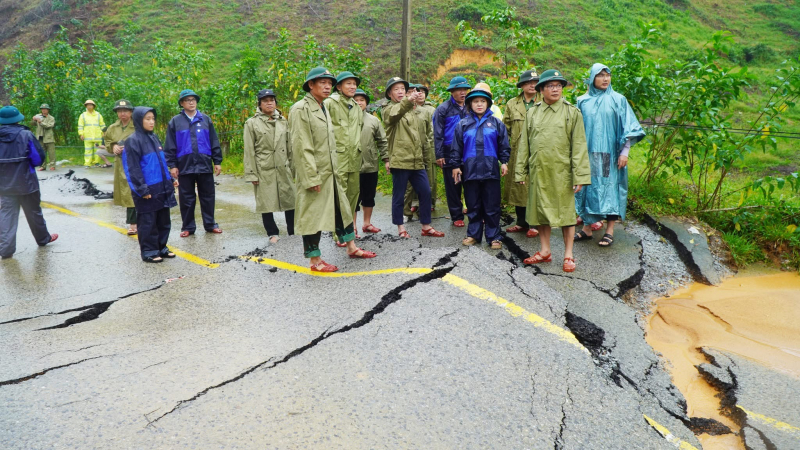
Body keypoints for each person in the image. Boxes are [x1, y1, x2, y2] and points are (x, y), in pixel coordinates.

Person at [289, 67, 376, 272]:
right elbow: (301, 147)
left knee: (343, 211)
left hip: (332, 172)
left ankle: (351, 247)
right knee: (313, 217)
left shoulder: (322, 107)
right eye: (322, 82)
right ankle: (315, 260)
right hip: (316, 174)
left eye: (329, 83)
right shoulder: (301, 109)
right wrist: (311, 178)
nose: (327, 86)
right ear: (311, 85)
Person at [514, 69, 591, 273]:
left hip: (562, 173)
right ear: (541, 90)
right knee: (540, 213)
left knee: (566, 214)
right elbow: (525, 145)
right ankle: (545, 251)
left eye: (558, 85)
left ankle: (568, 255)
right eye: (550, 86)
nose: (555, 89)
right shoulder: (533, 113)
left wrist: (580, 175)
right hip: (539, 173)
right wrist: (520, 171)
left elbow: (580, 146)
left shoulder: (572, 112)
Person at [574, 63, 645, 247]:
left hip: (609, 154)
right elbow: (574, 127)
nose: (605, 79)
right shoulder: (582, 100)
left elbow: (628, 126)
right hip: (587, 154)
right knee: (588, 189)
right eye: (600, 75)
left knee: (610, 189)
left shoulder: (618, 99)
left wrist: (625, 152)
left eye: (608, 75)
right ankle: (588, 228)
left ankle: (609, 230)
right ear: (592, 78)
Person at [383, 76, 445, 239]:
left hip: (417, 161)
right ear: (390, 94)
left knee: (425, 192)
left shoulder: (417, 111)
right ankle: (400, 228)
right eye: (396, 89)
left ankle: (426, 225)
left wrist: (427, 158)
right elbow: (395, 114)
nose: (400, 91)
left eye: (402, 89)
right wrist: (409, 101)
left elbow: (423, 137)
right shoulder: (389, 109)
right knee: (399, 196)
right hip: (400, 160)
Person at [451, 87, 511, 250]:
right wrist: (456, 165)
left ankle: (494, 237)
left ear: (488, 104)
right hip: (470, 170)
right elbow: (456, 147)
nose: (479, 104)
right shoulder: (463, 124)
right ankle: (473, 235)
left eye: (482, 101)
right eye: (476, 101)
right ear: (470, 104)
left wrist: (504, 161)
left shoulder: (496, 123)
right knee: (473, 204)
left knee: (492, 206)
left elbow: (503, 145)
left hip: (491, 170)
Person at [0, 106, 58, 259]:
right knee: (34, 212)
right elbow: (38, 159)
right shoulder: (26, 135)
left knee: (6, 215)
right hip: (27, 183)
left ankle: (6, 250)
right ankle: (43, 239)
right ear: (18, 119)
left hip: (4, 185)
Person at [164, 89, 223, 237]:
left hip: (204, 163)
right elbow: (170, 145)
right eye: (187, 100)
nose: (191, 102)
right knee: (186, 198)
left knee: (208, 196)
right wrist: (172, 165)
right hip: (184, 164)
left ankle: (210, 224)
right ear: (182, 103)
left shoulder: (205, 119)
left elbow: (214, 141)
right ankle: (188, 227)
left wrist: (217, 161)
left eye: (193, 99)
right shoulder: (175, 121)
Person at [122, 107, 178, 263]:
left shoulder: (154, 137)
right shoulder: (133, 141)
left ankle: (161, 247)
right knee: (148, 221)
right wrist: (141, 189)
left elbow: (161, 162)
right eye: (147, 119)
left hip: (162, 186)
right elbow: (132, 168)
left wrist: (170, 180)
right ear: (139, 120)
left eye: (153, 118)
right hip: (147, 188)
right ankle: (149, 251)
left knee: (163, 220)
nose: (151, 122)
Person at [243, 89, 296, 243]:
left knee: (290, 199)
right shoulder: (251, 123)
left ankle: (293, 230)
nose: (269, 103)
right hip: (263, 168)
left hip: (283, 166)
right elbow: (249, 150)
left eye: (272, 100)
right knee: (265, 202)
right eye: (265, 100)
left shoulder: (283, 121)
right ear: (259, 103)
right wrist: (252, 173)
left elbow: (290, 146)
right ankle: (272, 232)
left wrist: (293, 167)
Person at [324, 71, 363, 243]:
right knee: (340, 197)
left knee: (353, 194)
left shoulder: (356, 106)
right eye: (348, 83)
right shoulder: (329, 103)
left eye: (354, 84)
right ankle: (338, 233)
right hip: (338, 157)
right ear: (338, 87)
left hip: (354, 157)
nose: (352, 86)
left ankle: (348, 231)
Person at [503, 70, 540, 238]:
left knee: (536, 186)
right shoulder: (512, 103)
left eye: (535, 82)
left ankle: (535, 224)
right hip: (517, 151)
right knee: (519, 186)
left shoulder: (544, 101)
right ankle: (520, 222)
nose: (532, 85)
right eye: (528, 82)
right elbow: (505, 129)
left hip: (538, 151)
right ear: (522, 85)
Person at [433, 76, 471, 227]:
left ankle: (474, 211)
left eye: (465, 90)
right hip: (449, 152)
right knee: (453, 185)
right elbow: (438, 133)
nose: (463, 93)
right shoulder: (443, 109)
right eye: (459, 90)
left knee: (471, 183)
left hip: (469, 151)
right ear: (452, 91)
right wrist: (439, 154)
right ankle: (457, 216)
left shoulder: (470, 106)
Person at [353, 88, 388, 234]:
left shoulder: (373, 120)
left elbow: (382, 140)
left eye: (362, 100)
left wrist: (386, 159)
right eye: (356, 99)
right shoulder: (344, 119)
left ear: (366, 103)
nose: (359, 102)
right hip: (351, 165)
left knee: (369, 195)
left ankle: (366, 224)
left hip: (370, 164)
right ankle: (352, 227)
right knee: (353, 198)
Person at [104, 99, 138, 235]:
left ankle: (138, 222)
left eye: (125, 111)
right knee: (127, 194)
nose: (122, 113)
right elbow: (108, 142)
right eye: (120, 111)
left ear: (130, 112)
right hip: (120, 164)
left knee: (135, 191)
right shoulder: (112, 128)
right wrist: (114, 146)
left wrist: (129, 147)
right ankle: (133, 224)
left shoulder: (137, 126)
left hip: (136, 163)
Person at [403, 83, 436, 219]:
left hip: (427, 148)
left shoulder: (429, 110)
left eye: (422, 91)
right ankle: (408, 209)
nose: (418, 94)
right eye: (414, 91)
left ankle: (427, 206)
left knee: (429, 178)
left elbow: (431, 131)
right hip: (409, 150)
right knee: (410, 182)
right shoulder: (403, 109)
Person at [78, 99, 110, 167]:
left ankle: (97, 162)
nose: (89, 106)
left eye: (90, 105)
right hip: (87, 136)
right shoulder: (83, 115)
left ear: (93, 106)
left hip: (97, 136)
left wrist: (104, 132)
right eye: (88, 105)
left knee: (97, 150)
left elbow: (102, 124)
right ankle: (87, 164)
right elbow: (80, 125)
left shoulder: (98, 115)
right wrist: (81, 134)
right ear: (86, 106)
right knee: (88, 151)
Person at [31, 104, 56, 171]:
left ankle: (52, 165)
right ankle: (42, 166)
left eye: (45, 109)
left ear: (48, 110)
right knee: (42, 152)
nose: (43, 110)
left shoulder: (51, 118)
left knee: (51, 152)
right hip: (40, 137)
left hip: (48, 137)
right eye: (42, 109)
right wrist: (33, 119)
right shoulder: (38, 116)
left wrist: (41, 122)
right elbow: (32, 124)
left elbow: (49, 126)